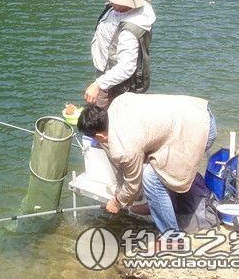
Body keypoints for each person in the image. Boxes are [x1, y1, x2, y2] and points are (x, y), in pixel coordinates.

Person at [77, 93, 218, 234]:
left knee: (151, 177)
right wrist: (120, 194)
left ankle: (171, 238)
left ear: (101, 136)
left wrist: (117, 202)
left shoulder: (125, 147)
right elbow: (122, 168)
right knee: (158, 167)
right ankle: (162, 205)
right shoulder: (117, 104)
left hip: (199, 129)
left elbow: (133, 185)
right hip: (196, 110)